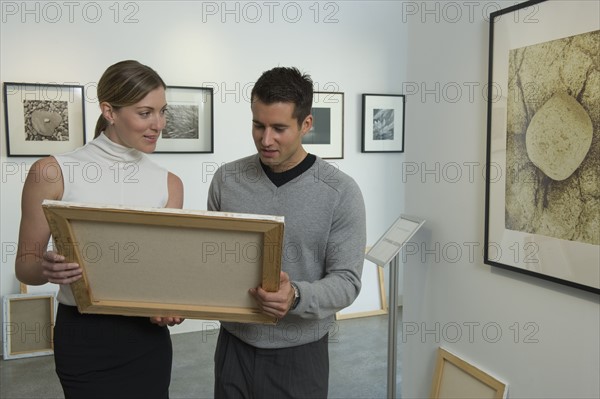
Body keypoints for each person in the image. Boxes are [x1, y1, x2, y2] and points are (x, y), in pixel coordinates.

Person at [15, 60, 184, 398]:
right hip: (84, 337)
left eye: (162, 112)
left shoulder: (170, 183)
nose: (158, 124)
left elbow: (162, 273)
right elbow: (25, 267)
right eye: (145, 113)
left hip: (147, 338)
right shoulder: (52, 172)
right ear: (109, 111)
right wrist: (47, 267)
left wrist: (171, 305)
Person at [207, 66, 366, 398]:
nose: (266, 140)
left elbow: (347, 282)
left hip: (300, 353)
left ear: (306, 124)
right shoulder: (226, 179)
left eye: (279, 128)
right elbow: (213, 259)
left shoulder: (340, 192)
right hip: (233, 347)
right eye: (258, 125)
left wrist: (295, 296)